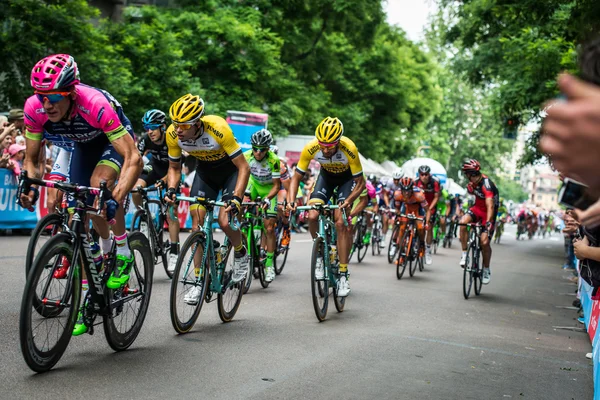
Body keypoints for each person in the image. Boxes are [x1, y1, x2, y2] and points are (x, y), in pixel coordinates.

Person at [20, 54, 142, 335]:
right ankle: (89, 289)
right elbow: (31, 158)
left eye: (52, 97)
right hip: (81, 147)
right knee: (79, 217)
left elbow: (134, 158)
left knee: (99, 187)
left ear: (71, 93)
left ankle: (122, 251)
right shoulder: (34, 108)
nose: (46, 104)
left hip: (110, 141)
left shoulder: (95, 105)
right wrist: (28, 185)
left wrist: (117, 194)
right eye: (41, 96)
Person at [164, 93, 250, 305]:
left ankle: (240, 252)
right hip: (205, 174)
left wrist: (237, 197)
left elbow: (243, 167)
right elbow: (174, 168)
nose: (178, 129)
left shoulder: (218, 128)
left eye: (183, 125)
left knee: (225, 220)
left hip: (230, 173)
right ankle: (198, 281)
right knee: (197, 224)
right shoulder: (173, 134)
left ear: (196, 123)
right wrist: (172, 189)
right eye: (175, 124)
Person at [287, 117, 365, 297]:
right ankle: (321, 253)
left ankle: (344, 274)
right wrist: (291, 200)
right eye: (322, 145)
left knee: (340, 223)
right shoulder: (311, 148)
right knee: (312, 215)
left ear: (338, 142)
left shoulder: (349, 148)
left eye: (330, 146)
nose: (325, 149)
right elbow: (296, 177)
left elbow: (360, 183)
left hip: (347, 180)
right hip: (326, 178)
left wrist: (348, 200)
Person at [132, 109, 181, 274]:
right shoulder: (145, 139)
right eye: (147, 127)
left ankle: (174, 251)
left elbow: (176, 168)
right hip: (155, 167)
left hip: (171, 172)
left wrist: (165, 181)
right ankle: (146, 218)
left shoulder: (172, 139)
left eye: (153, 127)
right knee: (135, 190)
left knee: (171, 212)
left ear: (163, 127)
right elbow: (136, 160)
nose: (150, 131)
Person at [243, 129, 281, 282]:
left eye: (262, 149)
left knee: (269, 227)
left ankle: (269, 265)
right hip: (254, 184)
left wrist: (267, 199)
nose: (258, 152)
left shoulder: (274, 160)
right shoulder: (246, 156)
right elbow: (241, 177)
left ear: (268, 149)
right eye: (255, 148)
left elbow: (277, 186)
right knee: (238, 206)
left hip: (269, 189)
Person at [458, 159, 499, 284]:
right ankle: (465, 255)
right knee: (463, 222)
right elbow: (473, 195)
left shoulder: (487, 185)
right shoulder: (471, 184)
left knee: (484, 242)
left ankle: (486, 269)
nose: (472, 177)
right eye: (470, 175)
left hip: (489, 213)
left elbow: (490, 205)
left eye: (474, 174)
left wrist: (488, 223)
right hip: (477, 209)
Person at [393, 177, 430, 261]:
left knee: (420, 227)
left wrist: (426, 223)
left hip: (418, 209)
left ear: (412, 189)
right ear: (401, 189)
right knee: (402, 229)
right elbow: (397, 208)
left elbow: (427, 211)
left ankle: (421, 244)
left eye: (408, 190)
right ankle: (402, 254)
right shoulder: (397, 194)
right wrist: (397, 215)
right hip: (406, 208)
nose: (406, 193)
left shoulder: (419, 195)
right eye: (404, 190)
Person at [415, 165, 440, 265]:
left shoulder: (435, 182)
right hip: (419, 205)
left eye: (426, 174)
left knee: (429, 227)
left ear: (429, 174)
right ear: (419, 175)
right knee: (417, 224)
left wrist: (430, 208)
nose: (424, 176)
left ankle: (428, 249)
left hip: (431, 205)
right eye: (422, 174)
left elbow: (436, 197)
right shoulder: (416, 182)